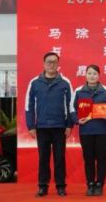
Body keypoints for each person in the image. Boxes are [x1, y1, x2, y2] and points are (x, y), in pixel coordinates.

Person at [25, 52, 73, 198]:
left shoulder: (65, 83)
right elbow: (29, 106)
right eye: (49, 62)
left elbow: (70, 105)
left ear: (58, 64)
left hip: (60, 127)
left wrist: (69, 125)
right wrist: (31, 126)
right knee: (43, 158)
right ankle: (42, 186)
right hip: (42, 127)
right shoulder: (34, 83)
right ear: (43, 64)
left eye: (54, 62)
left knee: (60, 158)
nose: (51, 65)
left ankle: (60, 186)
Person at [70, 65, 106, 196]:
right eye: (89, 73)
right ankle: (90, 184)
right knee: (88, 159)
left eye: (94, 73)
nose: (92, 76)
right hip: (86, 131)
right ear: (86, 75)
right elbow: (72, 109)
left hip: (102, 131)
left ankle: (99, 184)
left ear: (99, 75)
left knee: (101, 158)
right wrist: (78, 120)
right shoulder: (79, 91)